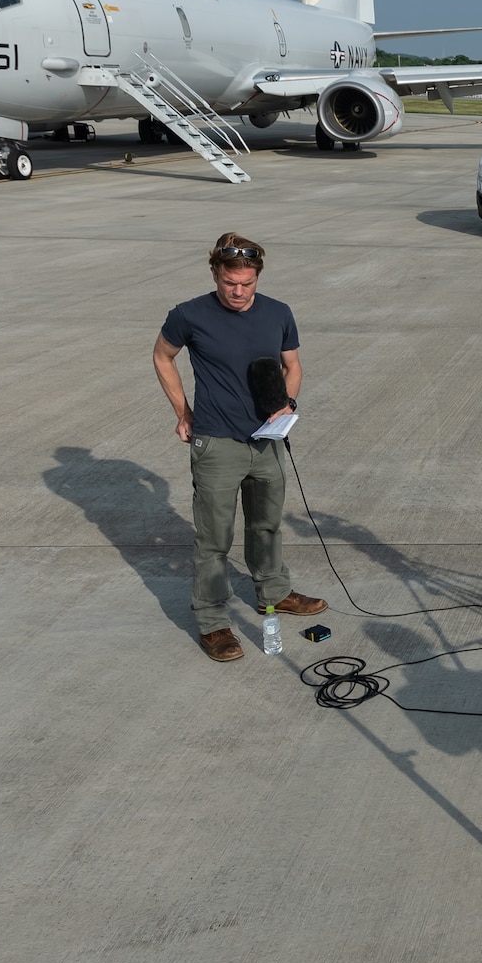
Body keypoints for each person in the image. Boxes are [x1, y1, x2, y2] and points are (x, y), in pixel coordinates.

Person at [153, 233, 327, 661]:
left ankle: (274, 592)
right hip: (216, 444)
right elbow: (162, 356)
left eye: (247, 283)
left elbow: (293, 365)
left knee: (266, 525)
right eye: (231, 282)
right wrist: (183, 412)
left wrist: (285, 403)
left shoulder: (278, 313)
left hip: (267, 442)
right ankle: (213, 623)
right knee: (213, 540)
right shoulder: (189, 315)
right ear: (215, 273)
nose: (239, 292)